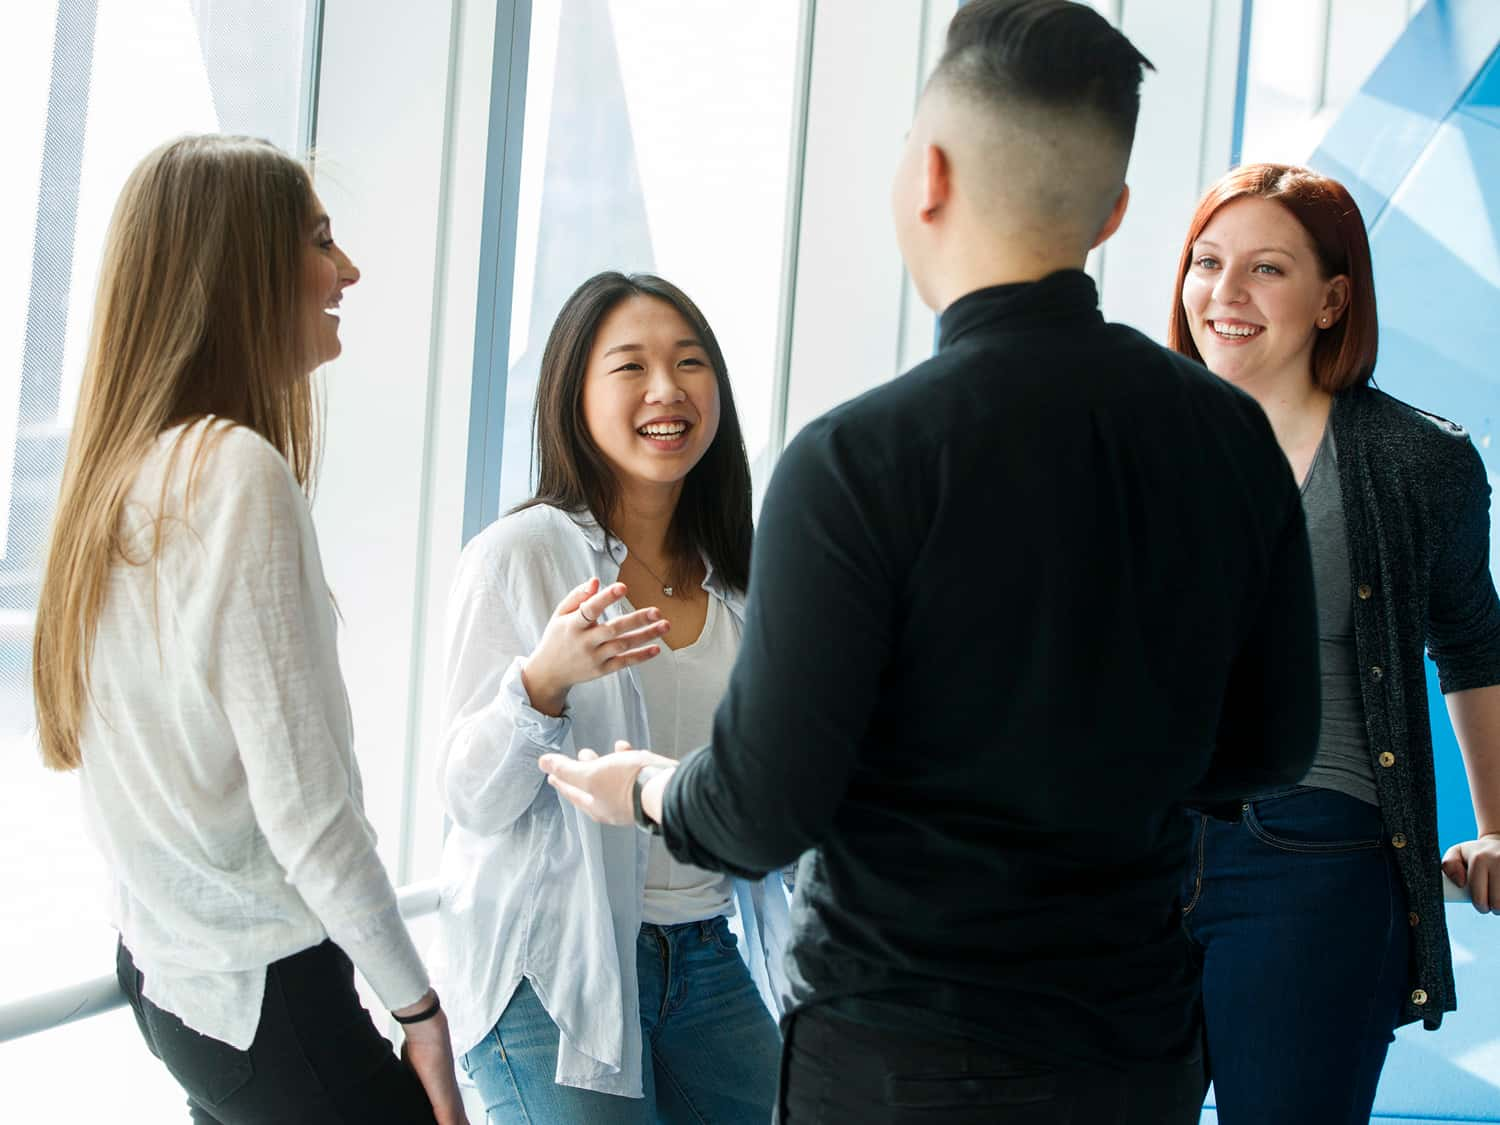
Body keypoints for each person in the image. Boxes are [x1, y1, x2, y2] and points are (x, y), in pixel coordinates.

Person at [539, 3, 1321, 1122]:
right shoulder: (1232, 439)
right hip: (1134, 1050)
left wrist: (647, 788)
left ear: (930, 176)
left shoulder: (859, 461)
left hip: (901, 1057)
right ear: (1114, 212)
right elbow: (1271, 744)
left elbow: (762, 811)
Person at [30, 135, 466, 1125]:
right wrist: (422, 1010)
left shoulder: (122, 474)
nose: (347, 268)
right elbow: (309, 813)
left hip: (176, 988)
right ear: (239, 272)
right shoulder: (233, 473)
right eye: (320, 240)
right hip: (269, 1000)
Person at [1168, 162, 1500, 1123]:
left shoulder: (1415, 459)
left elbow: (1474, 641)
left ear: (1333, 297)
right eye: (1206, 261)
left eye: (1266, 269)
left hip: (1311, 854)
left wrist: (1495, 827)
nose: (1224, 296)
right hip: (1130, 852)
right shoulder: (1132, 438)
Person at [431, 271, 787, 1124]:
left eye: (690, 362)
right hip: (550, 966)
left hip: (703, 955)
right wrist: (541, 681)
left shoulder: (745, 577)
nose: (667, 389)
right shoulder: (519, 555)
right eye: (631, 367)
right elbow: (469, 800)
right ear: (574, 397)